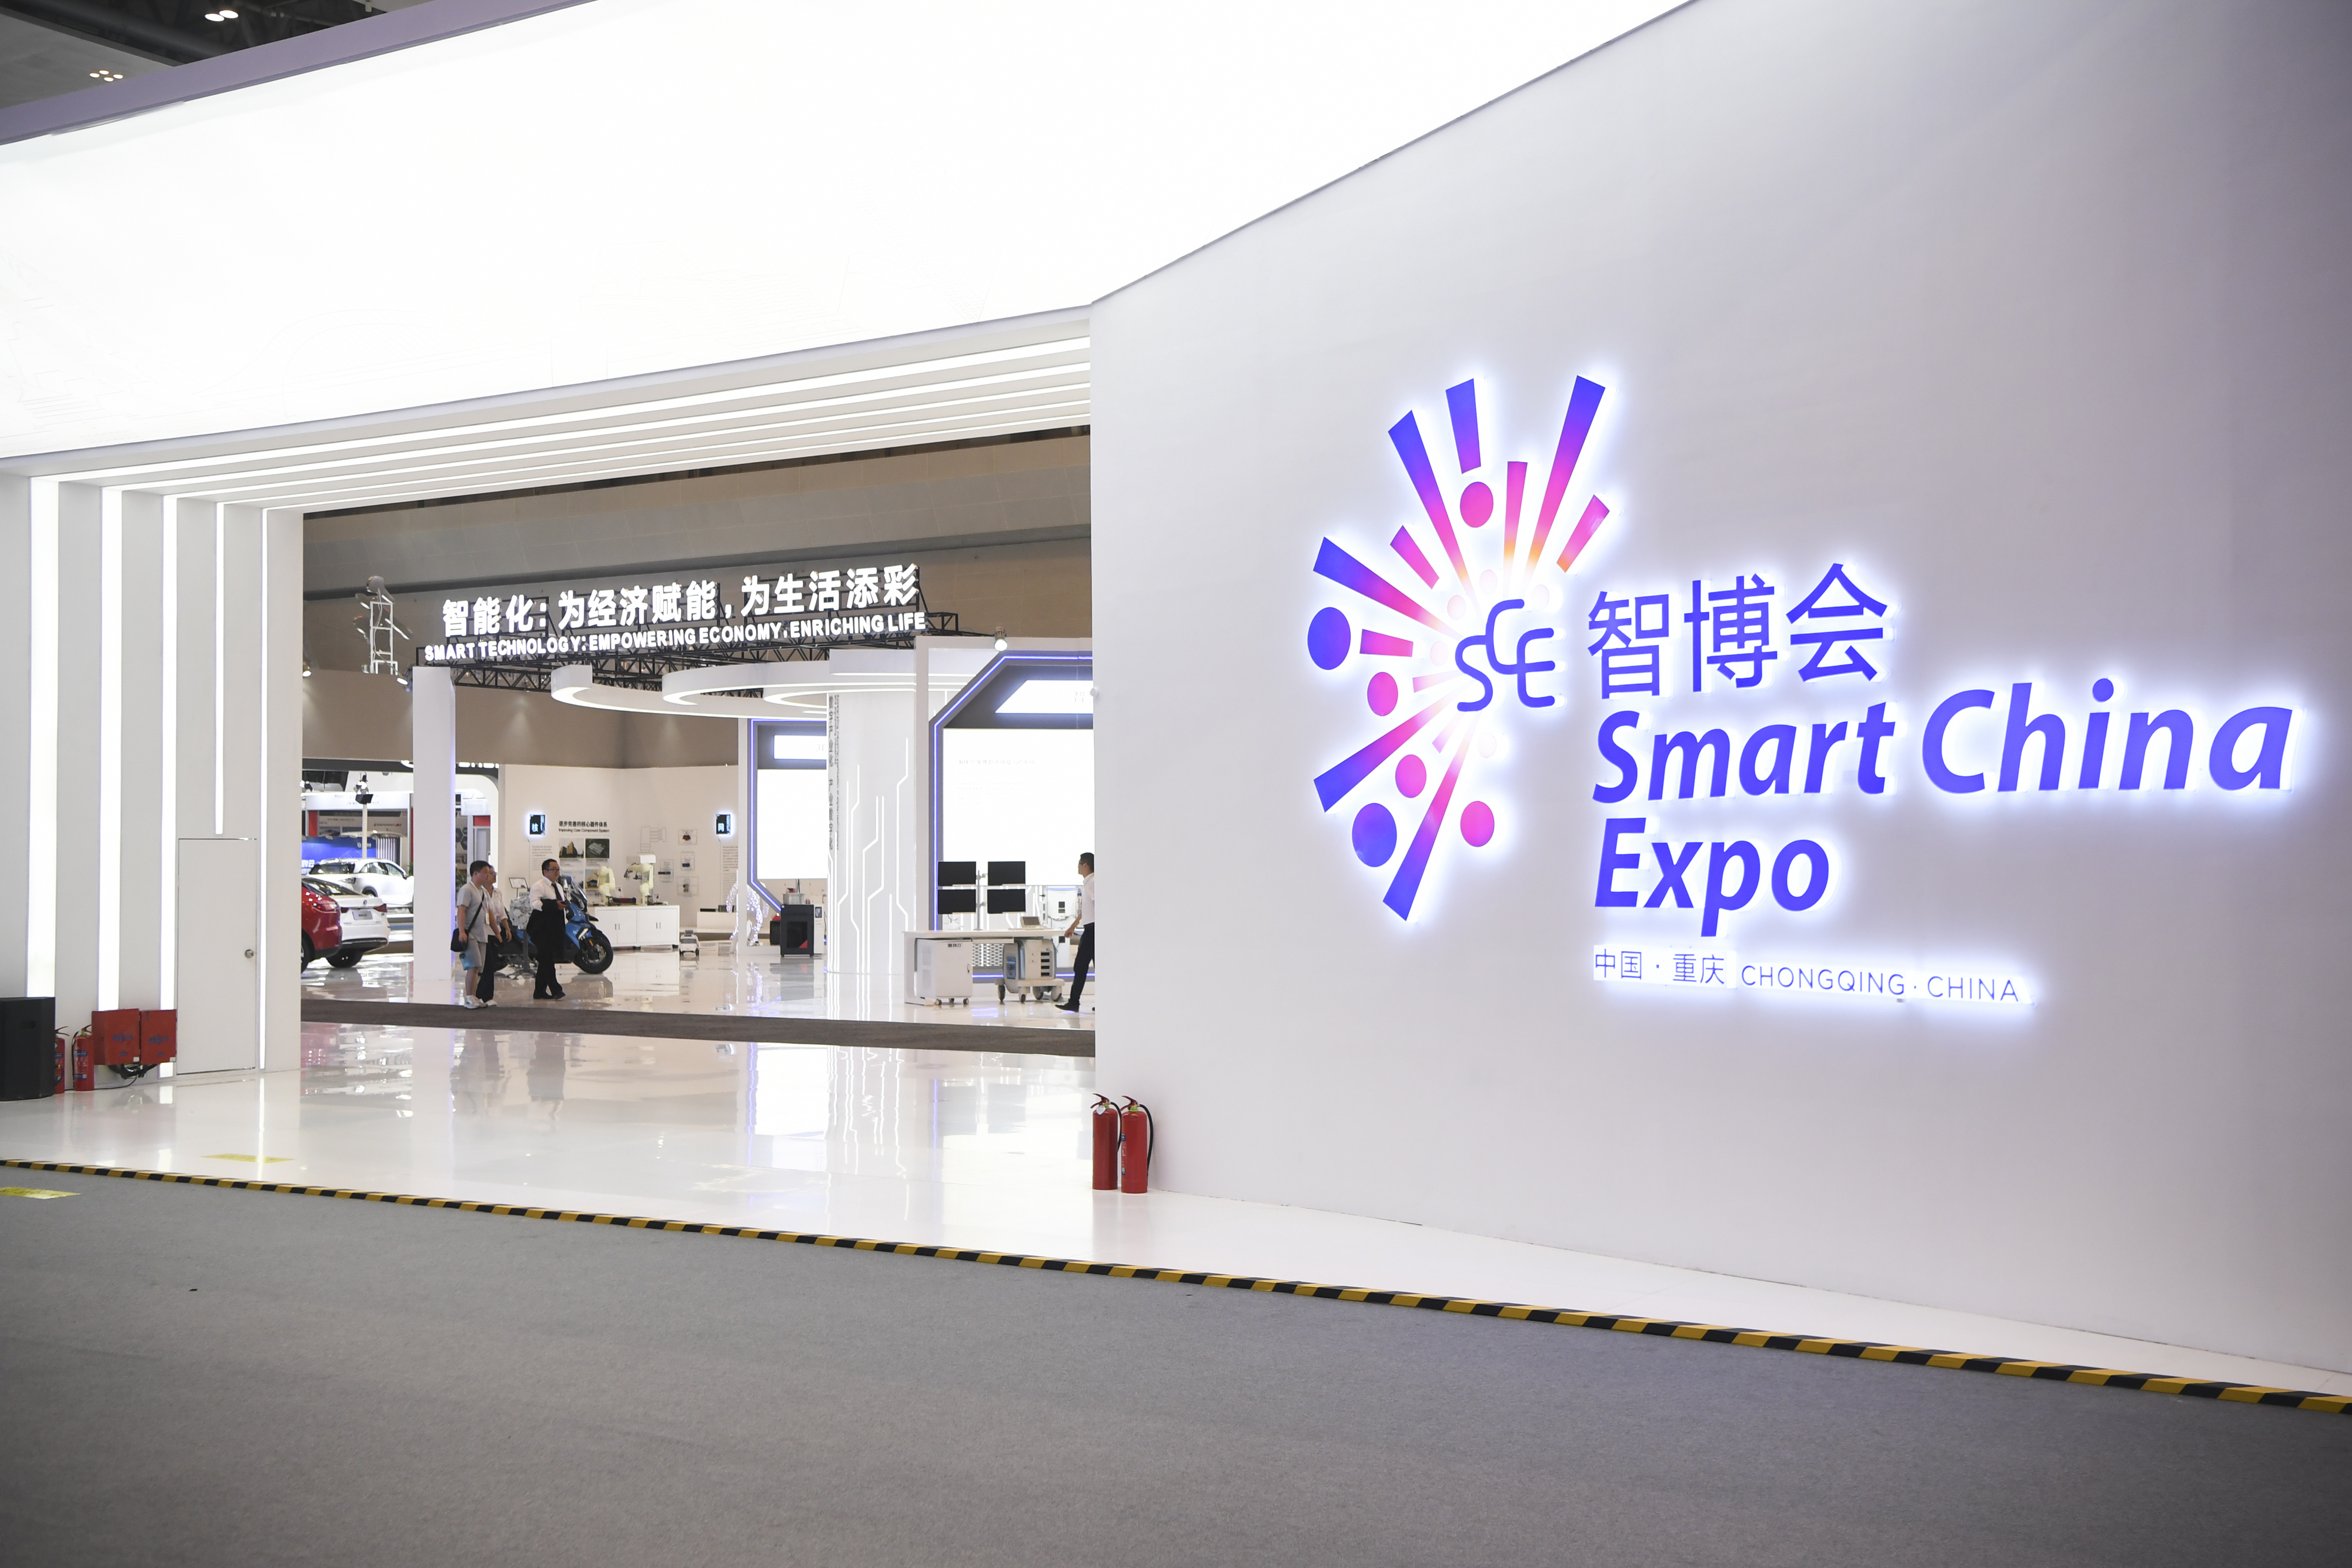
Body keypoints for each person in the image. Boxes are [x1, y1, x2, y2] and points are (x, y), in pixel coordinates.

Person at [455, 860, 512, 1009]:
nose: (488, 875)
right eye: (485, 872)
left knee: (478, 967)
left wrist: (497, 932)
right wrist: (462, 931)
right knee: (473, 966)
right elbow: (461, 911)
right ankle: (469, 998)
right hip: (471, 934)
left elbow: (490, 914)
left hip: (483, 935)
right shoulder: (467, 890)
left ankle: (474, 997)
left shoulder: (484, 892)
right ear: (476, 874)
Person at [1058, 851, 1094, 1014]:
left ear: (1086, 865)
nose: (1078, 867)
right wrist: (1073, 925)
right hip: (1091, 928)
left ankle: (1074, 1002)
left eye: (1079, 864)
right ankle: (1075, 1001)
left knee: (1080, 966)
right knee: (1083, 966)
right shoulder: (1089, 883)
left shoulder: (1092, 883)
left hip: (1093, 930)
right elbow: (1086, 910)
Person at [527, 858, 568, 1001]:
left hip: (555, 927)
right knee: (547, 960)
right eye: (553, 869)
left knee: (547, 959)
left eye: (558, 869)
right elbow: (535, 903)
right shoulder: (539, 886)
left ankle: (539, 991)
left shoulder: (559, 887)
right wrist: (553, 905)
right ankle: (556, 990)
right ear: (545, 872)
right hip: (542, 928)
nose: (557, 872)